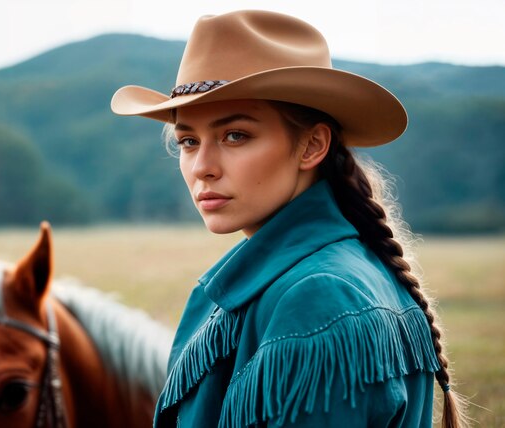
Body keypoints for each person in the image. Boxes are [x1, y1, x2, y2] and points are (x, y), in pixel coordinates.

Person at [111, 10, 468, 428]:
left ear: (312, 146)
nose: (202, 167)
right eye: (188, 141)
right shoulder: (281, 280)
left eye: (235, 135)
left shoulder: (320, 297)